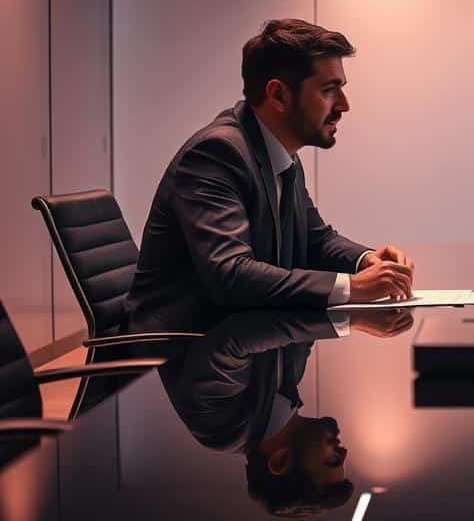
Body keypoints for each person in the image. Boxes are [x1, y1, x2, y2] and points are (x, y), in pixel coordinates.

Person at [123, 19, 414, 336]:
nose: (345, 105)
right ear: (278, 95)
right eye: (330, 90)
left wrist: (365, 260)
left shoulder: (279, 151)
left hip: (243, 341)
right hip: (181, 355)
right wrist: (351, 287)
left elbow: (315, 239)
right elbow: (230, 274)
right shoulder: (216, 154)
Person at [158, 307, 415, 517]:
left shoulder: (223, 429)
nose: (344, 451)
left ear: (280, 461)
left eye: (333, 461)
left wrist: (351, 320)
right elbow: (298, 312)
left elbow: (233, 339)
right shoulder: (287, 390)